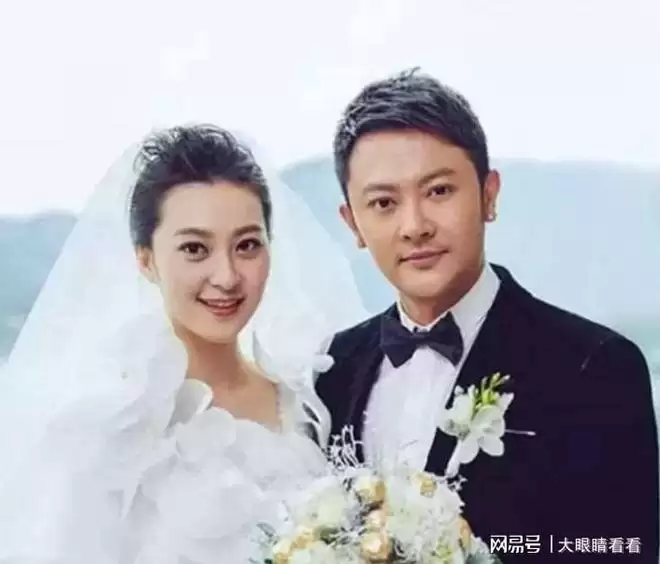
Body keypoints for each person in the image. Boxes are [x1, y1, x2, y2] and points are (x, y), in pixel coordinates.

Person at [316, 68, 659, 562]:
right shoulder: (330, 370)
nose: (414, 226)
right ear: (353, 223)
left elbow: (622, 549)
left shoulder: (596, 365)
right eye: (384, 203)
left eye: (438, 191)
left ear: (488, 194)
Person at [0, 124, 367, 563]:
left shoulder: (312, 405)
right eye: (195, 249)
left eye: (247, 245)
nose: (227, 276)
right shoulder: (105, 431)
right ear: (146, 259)